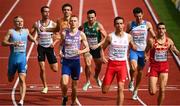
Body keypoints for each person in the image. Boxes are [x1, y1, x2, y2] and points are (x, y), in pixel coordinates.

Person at [2, 16, 37, 105]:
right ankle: (10, 73)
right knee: (10, 79)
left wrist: (35, 41)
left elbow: (30, 38)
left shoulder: (26, 31)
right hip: (13, 60)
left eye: (21, 21)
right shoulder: (11, 32)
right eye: (17, 22)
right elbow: (3, 42)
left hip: (22, 59)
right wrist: (12, 43)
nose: (20, 23)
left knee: (22, 79)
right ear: (14, 23)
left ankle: (21, 100)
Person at [102, 16, 136, 105]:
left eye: (121, 23)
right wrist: (102, 57)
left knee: (121, 88)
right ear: (114, 25)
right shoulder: (110, 37)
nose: (119, 25)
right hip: (111, 65)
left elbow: (133, 46)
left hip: (122, 65)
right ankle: (104, 81)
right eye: (117, 23)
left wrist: (138, 51)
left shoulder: (128, 37)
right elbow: (102, 48)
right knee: (104, 91)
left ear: (124, 25)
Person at [145, 22, 180, 105]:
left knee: (162, 90)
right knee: (152, 92)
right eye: (159, 28)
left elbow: (176, 51)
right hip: (154, 67)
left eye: (163, 28)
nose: (161, 30)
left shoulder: (169, 41)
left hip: (164, 68)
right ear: (156, 30)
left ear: (165, 30)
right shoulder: (151, 41)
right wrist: (145, 57)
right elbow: (145, 52)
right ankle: (151, 83)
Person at [126, 7, 156, 100]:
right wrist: (130, 44)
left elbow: (154, 36)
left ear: (142, 14)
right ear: (134, 16)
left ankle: (136, 90)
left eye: (140, 16)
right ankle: (131, 80)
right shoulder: (131, 24)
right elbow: (125, 35)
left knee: (139, 71)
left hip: (143, 52)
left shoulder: (147, 24)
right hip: (134, 50)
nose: (139, 18)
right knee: (133, 68)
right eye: (137, 16)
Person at [59, 15, 89, 105]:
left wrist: (80, 51)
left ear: (78, 23)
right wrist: (60, 51)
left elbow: (87, 48)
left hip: (75, 62)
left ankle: (72, 103)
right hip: (66, 62)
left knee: (74, 87)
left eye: (75, 21)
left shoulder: (81, 34)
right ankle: (64, 97)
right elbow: (61, 44)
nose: (73, 22)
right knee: (64, 83)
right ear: (69, 22)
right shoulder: (64, 33)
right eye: (71, 21)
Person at [31, 6, 58, 94]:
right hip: (41, 47)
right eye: (45, 12)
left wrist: (53, 43)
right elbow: (29, 35)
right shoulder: (37, 24)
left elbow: (58, 36)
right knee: (42, 68)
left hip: (50, 48)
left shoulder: (53, 24)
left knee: (55, 69)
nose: (47, 13)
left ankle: (52, 63)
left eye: (48, 12)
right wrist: (34, 40)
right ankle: (45, 86)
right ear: (42, 13)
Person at [82, 9, 107, 91]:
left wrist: (98, 45)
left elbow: (106, 37)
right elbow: (77, 31)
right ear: (87, 17)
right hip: (87, 48)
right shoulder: (84, 25)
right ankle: (88, 81)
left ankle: (96, 76)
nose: (91, 19)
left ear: (95, 17)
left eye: (92, 17)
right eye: (89, 17)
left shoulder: (99, 26)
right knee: (88, 63)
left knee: (98, 66)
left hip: (96, 48)